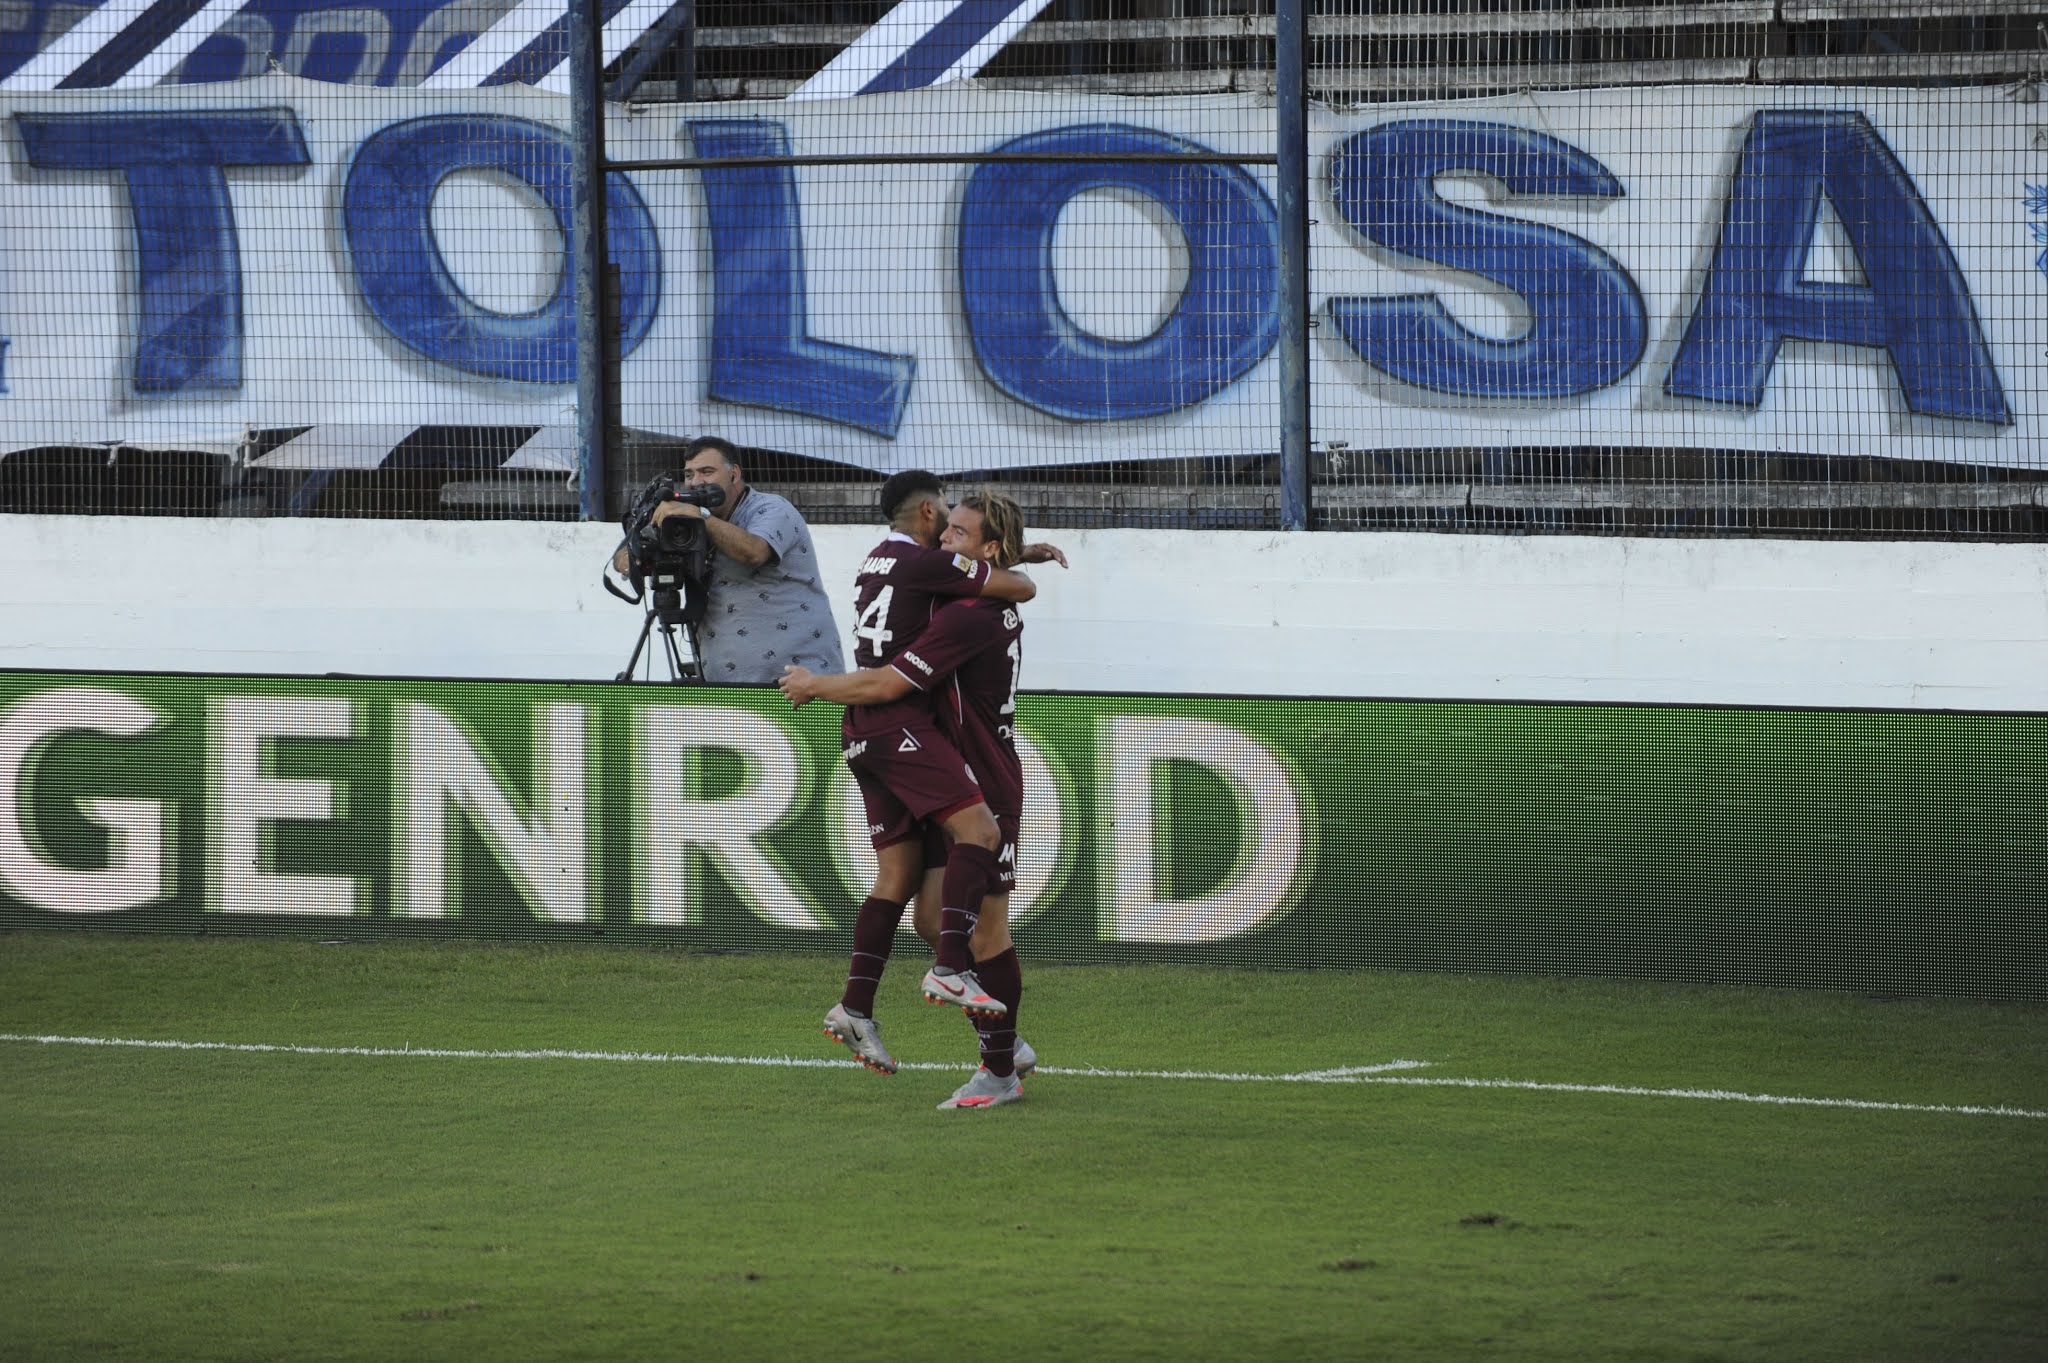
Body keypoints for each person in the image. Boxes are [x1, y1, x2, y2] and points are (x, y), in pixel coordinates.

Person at [782, 487, 1066, 1110]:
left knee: (985, 932)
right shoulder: (962, 594)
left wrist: (815, 683)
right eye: (944, 533)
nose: (943, 545)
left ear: (987, 550)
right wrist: (1025, 561)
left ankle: (997, 1070)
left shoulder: (967, 616)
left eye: (959, 536)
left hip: (985, 779)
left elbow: (885, 682)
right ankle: (1001, 1045)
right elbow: (989, 578)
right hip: (950, 768)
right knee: (933, 919)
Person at [629, 436, 843, 684]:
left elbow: (753, 552)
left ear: (734, 475)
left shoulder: (773, 509)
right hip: (727, 687)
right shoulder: (687, 524)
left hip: (797, 682)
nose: (696, 482)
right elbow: (623, 563)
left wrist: (701, 517)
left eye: (706, 471)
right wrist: (641, 539)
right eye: (689, 474)